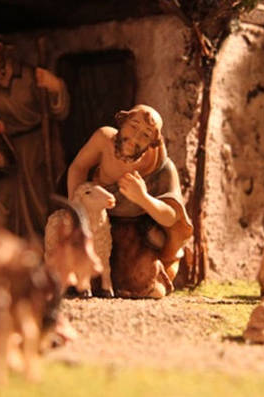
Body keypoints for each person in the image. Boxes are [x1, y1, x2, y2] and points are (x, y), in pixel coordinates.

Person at [67, 105, 192, 298]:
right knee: (82, 265)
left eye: (145, 135)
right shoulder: (103, 140)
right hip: (98, 221)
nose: (135, 138)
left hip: (131, 230)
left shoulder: (160, 166)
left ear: (153, 143)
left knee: (141, 279)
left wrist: (143, 198)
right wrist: (76, 207)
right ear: (122, 122)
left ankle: (151, 275)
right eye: (133, 126)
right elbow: (79, 167)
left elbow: (170, 217)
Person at [0, 31, 69, 241]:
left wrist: (56, 87)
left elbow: (58, 112)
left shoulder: (30, 77)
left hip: (34, 149)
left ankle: (36, 252)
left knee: (38, 205)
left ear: (2, 51)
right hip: (4, 153)